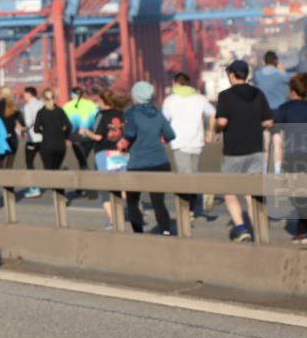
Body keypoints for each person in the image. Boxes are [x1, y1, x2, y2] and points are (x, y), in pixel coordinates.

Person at [214, 59, 274, 242]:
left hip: (233, 151)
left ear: (232, 74)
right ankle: (259, 227)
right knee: (252, 192)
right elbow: (268, 121)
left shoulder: (225, 96)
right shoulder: (258, 93)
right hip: (255, 149)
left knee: (230, 191)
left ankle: (240, 228)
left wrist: (216, 128)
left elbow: (222, 122)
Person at [272, 72, 307, 245]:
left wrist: (276, 164)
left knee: (295, 195)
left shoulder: (284, 109)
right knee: (306, 195)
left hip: (294, 156)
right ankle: (303, 234)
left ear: (292, 90)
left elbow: (276, 135)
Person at [121, 81, 176, 235]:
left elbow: (129, 134)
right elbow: (170, 135)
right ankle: (165, 231)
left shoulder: (131, 114)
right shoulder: (158, 113)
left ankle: (138, 233)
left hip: (138, 164)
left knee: (132, 201)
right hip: (160, 162)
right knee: (158, 201)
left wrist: (122, 143)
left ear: (135, 96)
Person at [162, 72, 216, 215]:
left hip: (178, 141)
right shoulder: (200, 98)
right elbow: (212, 113)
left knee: (184, 176)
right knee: (192, 173)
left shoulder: (170, 100)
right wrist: (210, 132)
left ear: (175, 83)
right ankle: (194, 203)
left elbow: (163, 120)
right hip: (196, 141)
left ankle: (189, 209)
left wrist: (162, 136)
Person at [82, 89, 128, 229]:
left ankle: (113, 221)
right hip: (121, 152)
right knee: (122, 185)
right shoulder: (122, 114)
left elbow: (98, 136)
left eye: (99, 101)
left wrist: (85, 132)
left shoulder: (101, 115)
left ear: (103, 101)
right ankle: (127, 208)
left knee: (105, 188)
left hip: (104, 153)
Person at [33, 90, 72, 171]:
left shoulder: (41, 113)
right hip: (60, 146)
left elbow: (36, 129)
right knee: (56, 170)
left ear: (43, 99)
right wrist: (64, 136)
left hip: (47, 145)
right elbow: (69, 126)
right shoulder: (60, 111)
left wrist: (45, 132)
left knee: (48, 171)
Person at [62, 86, 98, 171]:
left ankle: (84, 177)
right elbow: (97, 120)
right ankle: (85, 175)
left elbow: (64, 124)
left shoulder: (67, 106)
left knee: (82, 162)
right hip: (89, 137)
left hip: (75, 137)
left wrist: (66, 138)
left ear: (72, 95)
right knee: (83, 160)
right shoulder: (91, 104)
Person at [21, 86, 45, 198]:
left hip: (33, 139)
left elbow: (28, 122)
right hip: (44, 138)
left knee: (30, 163)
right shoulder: (42, 104)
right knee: (47, 164)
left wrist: (21, 129)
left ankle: (34, 188)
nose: (23, 97)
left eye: (24, 95)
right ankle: (58, 187)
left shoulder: (28, 106)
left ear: (29, 94)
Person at [0, 87, 24, 169]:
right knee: (9, 166)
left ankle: (0, 181)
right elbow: (22, 123)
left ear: (1, 94)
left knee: (0, 165)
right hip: (12, 139)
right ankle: (9, 181)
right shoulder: (14, 107)